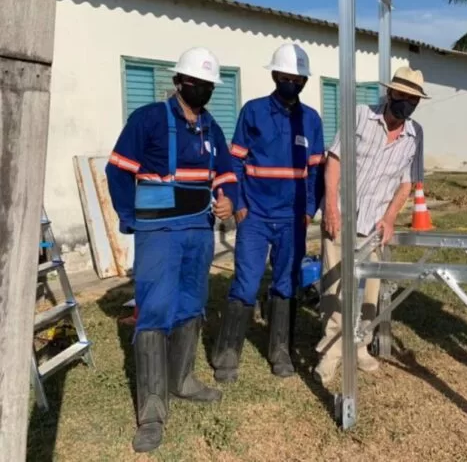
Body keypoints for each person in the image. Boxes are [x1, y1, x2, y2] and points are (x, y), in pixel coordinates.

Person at [105, 46, 237, 453]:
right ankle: (152, 411)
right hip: (159, 232)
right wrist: (133, 219)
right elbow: (118, 170)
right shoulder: (148, 120)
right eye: (196, 83)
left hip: (199, 231)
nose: (202, 90)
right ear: (179, 81)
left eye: (208, 85)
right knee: (155, 309)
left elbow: (227, 173)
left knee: (191, 304)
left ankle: (182, 381)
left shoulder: (211, 127)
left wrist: (228, 199)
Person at [212, 44, 325, 381]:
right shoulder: (254, 112)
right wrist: (241, 205)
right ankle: (228, 353)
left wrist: (308, 210)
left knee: (286, 283)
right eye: (288, 77)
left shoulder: (311, 120)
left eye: (300, 79)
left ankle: (280, 351)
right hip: (256, 217)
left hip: (293, 220)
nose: (294, 83)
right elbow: (236, 161)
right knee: (246, 283)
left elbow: (317, 171)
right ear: (275, 75)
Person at [313, 66, 427, 385]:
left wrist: (390, 217)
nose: (406, 104)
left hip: (374, 226)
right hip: (342, 216)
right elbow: (333, 161)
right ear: (390, 93)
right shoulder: (360, 116)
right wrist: (331, 207)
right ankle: (332, 352)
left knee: (368, 292)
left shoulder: (415, 134)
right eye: (402, 96)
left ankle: (360, 345)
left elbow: (407, 183)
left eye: (413, 100)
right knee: (335, 288)